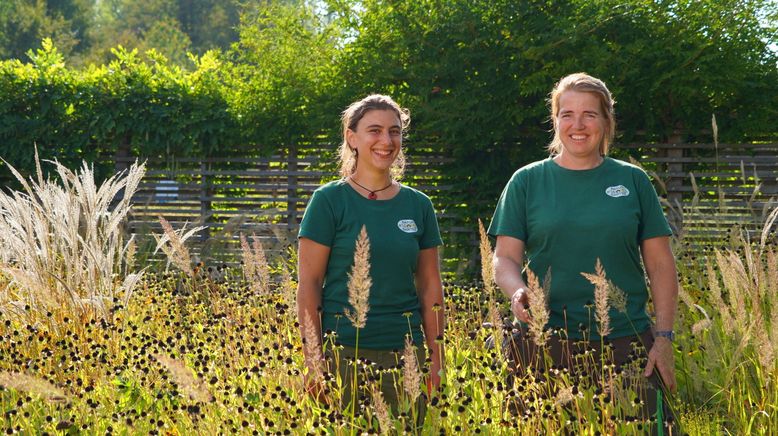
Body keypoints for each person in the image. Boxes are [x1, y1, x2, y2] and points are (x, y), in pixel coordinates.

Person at [488, 73, 679, 429]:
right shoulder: (527, 181)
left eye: (589, 114)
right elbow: (505, 257)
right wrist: (516, 289)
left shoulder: (633, 181)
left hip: (626, 340)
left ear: (607, 121)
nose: (577, 124)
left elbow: (660, 264)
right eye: (567, 113)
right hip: (542, 341)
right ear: (555, 120)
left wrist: (664, 338)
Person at [296, 95, 445, 417]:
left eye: (394, 131)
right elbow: (309, 282)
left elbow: (431, 286)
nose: (386, 141)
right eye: (374, 131)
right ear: (352, 138)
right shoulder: (329, 201)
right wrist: (313, 359)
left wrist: (436, 358)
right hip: (343, 355)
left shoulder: (418, 205)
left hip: (406, 356)